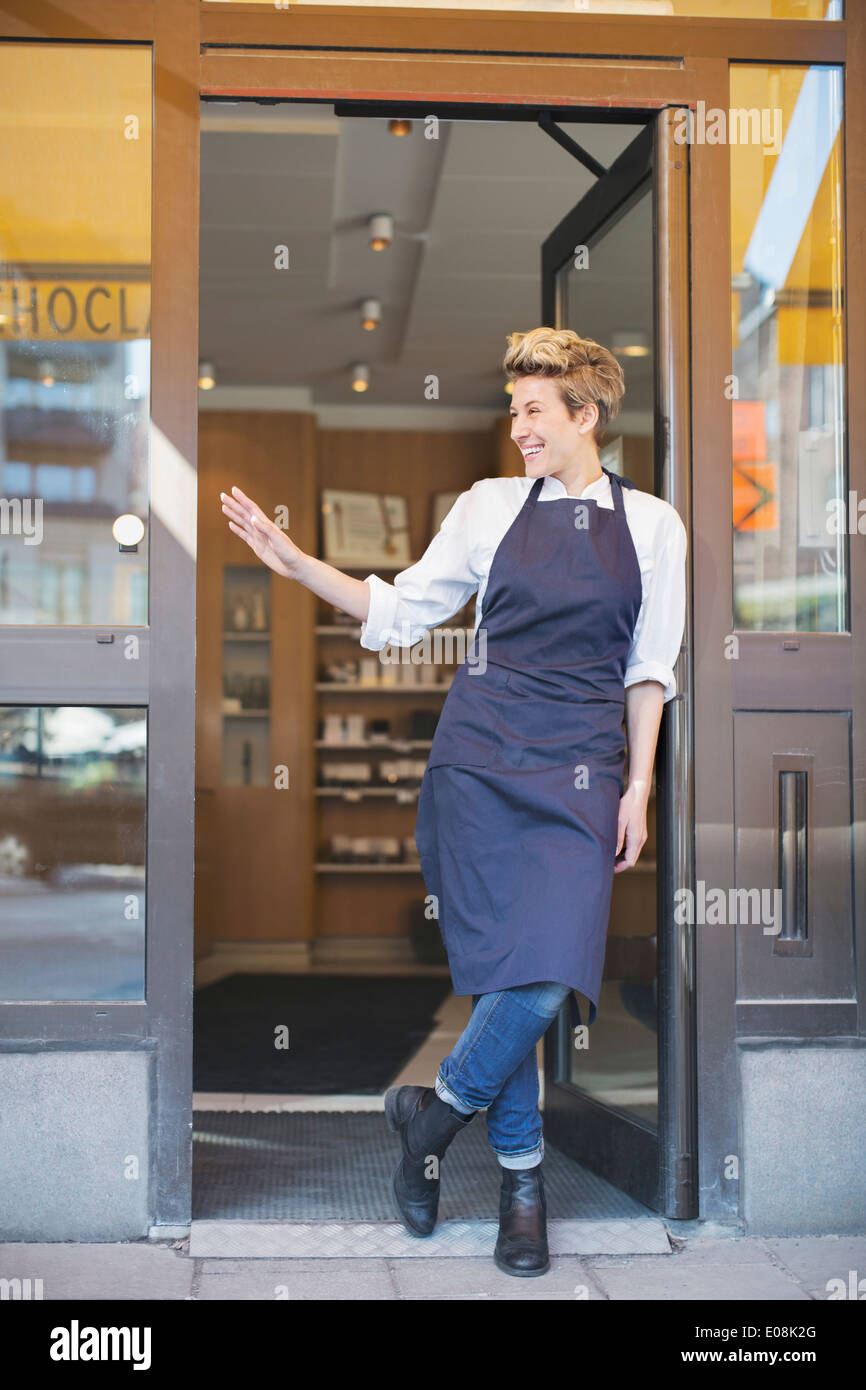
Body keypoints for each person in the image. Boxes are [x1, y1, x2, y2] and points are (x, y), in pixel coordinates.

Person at [220, 326, 687, 1278]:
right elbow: (402, 611)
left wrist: (640, 784)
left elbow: (650, 670)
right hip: (479, 762)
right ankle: (523, 1190)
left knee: (547, 973)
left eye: (532, 410)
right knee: (504, 977)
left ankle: (428, 1120)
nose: (516, 425)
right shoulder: (486, 509)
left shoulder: (654, 528)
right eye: (511, 407)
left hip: (585, 772)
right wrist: (298, 565)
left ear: (584, 416)